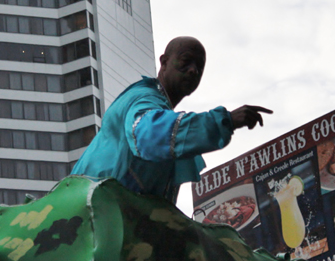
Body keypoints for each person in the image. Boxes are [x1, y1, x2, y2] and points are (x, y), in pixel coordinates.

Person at [71, 36, 272, 204]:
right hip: (90, 214)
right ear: (164, 62)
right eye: (186, 61)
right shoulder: (143, 98)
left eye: (199, 66)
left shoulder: (157, 104)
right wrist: (224, 120)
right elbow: (148, 133)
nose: (194, 70)